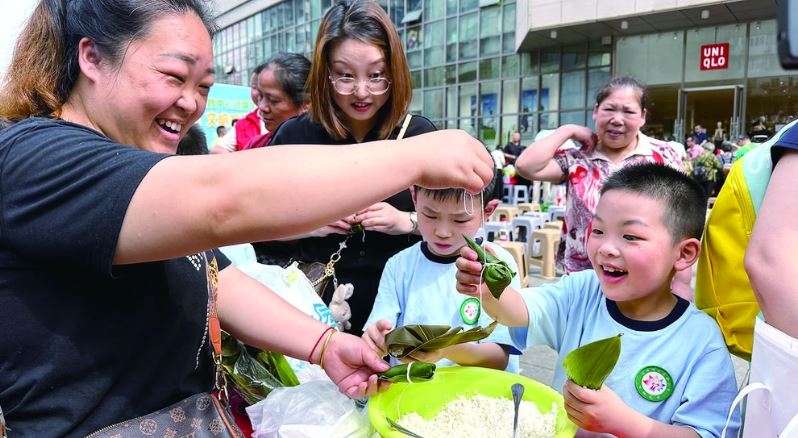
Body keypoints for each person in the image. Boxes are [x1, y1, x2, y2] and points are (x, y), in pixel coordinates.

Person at [0, 0, 495, 435]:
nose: (191, 104)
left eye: (202, 86)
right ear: (91, 57)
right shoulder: (38, 157)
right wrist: (412, 157)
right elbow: (223, 199)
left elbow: (219, 279)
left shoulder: (130, 167)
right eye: (173, 77)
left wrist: (325, 345)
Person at [455, 163, 739, 437]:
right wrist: (490, 289)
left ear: (684, 253)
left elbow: (706, 433)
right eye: (599, 231)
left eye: (630, 236)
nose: (606, 248)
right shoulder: (582, 291)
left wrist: (623, 423)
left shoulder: (702, 342)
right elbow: (519, 311)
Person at [258, 0, 434, 334]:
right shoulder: (296, 136)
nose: (361, 91)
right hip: (313, 313)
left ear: (394, 72)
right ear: (325, 73)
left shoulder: (418, 136)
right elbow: (254, 226)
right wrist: (311, 223)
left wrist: (406, 221)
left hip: (402, 312)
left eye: (377, 75)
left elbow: (458, 224)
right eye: (345, 75)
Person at [515, 76, 683, 275]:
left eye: (628, 111)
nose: (617, 120)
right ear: (595, 111)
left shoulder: (663, 155)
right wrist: (567, 131)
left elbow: (680, 217)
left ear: (642, 116)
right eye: (609, 109)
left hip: (641, 275)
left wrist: (681, 278)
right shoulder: (577, 158)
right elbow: (526, 166)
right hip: (582, 276)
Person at [362, 175, 520, 372]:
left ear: (487, 211)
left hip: (477, 388)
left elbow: (499, 359)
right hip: (413, 386)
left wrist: (447, 349)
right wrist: (376, 340)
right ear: (414, 198)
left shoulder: (499, 265)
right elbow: (378, 331)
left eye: (460, 219)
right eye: (430, 215)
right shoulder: (399, 265)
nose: (443, 232)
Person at [243, 52, 311, 150]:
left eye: (273, 100)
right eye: (260, 96)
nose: (261, 107)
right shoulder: (256, 146)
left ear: (306, 103)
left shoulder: (325, 148)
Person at [210, 68, 268, 153]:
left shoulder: (287, 122)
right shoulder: (243, 125)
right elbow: (217, 150)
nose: (260, 93)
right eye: (255, 87)